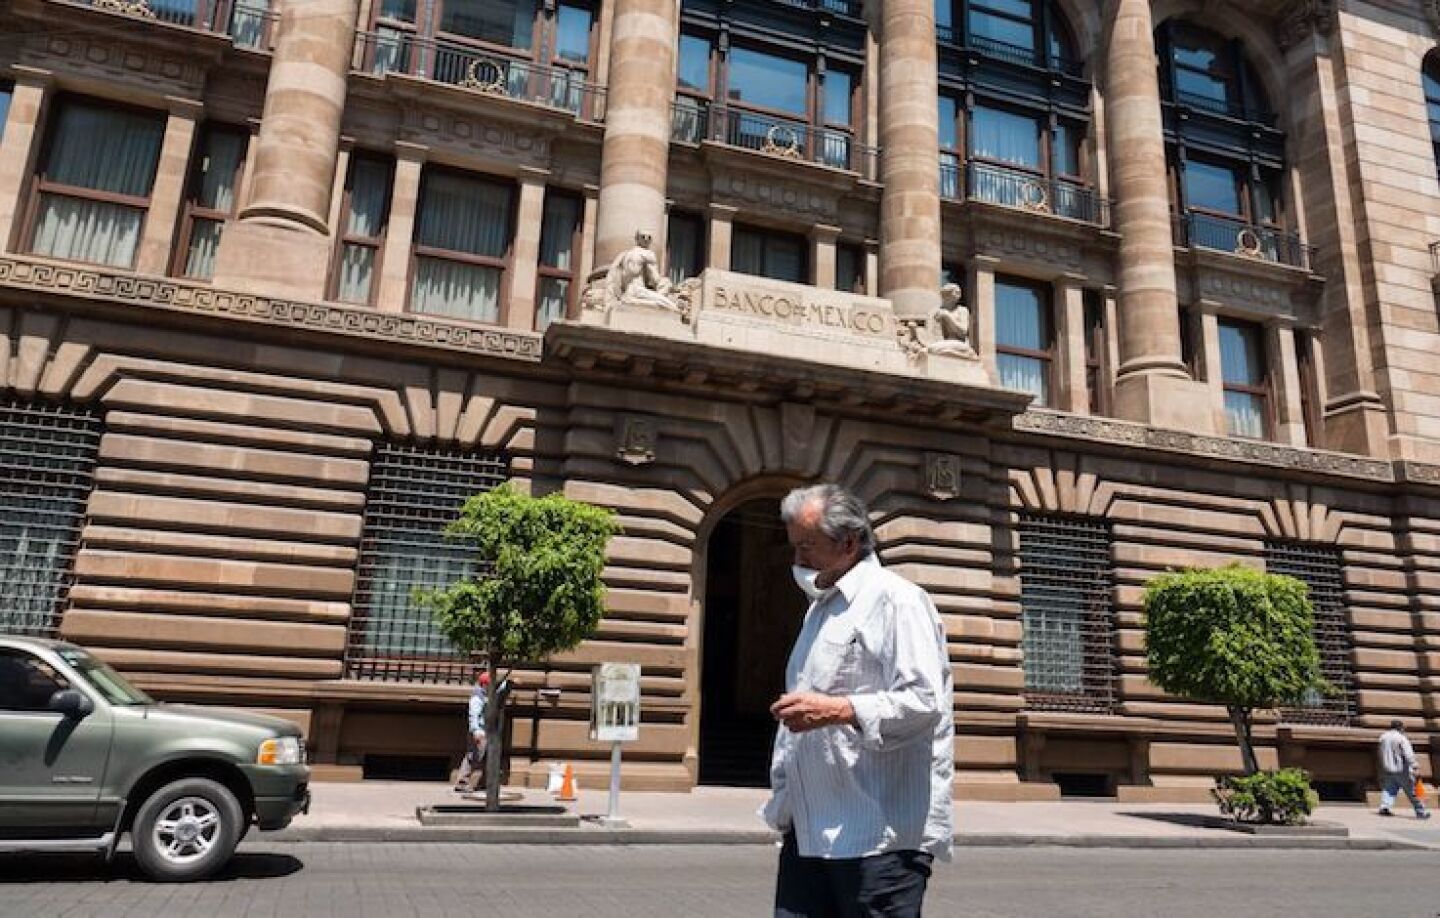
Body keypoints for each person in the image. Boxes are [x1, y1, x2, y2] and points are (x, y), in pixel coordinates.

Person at [762, 483, 954, 918]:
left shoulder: (899, 601)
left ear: (848, 543)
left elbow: (924, 702)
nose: (797, 559)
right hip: (810, 832)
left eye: (807, 546)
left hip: (879, 839)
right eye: (793, 546)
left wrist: (838, 710)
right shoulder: (820, 610)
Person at [1377, 719, 1430, 819]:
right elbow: (1408, 754)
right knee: (1412, 791)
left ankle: (1384, 807)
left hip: (1388, 768)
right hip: (1402, 769)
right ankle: (1421, 812)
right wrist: (1415, 766)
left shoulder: (1383, 737)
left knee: (1389, 789)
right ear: (1400, 728)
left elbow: (1380, 753)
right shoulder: (1401, 738)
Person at [454, 669, 490, 794]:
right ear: (484, 684)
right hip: (479, 732)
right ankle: (466, 784)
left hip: (482, 731)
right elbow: (474, 715)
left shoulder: (485, 695)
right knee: (476, 758)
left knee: (475, 757)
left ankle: (468, 782)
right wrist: (476, 731)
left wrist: (508, 683)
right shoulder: (478, 697)